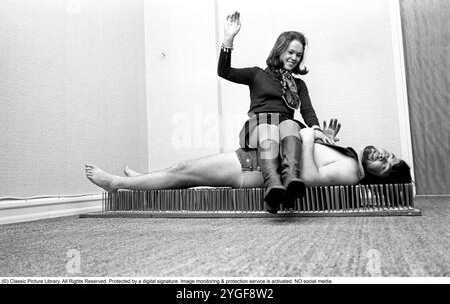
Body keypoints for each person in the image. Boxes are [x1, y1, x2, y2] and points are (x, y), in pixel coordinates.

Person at [85, 119, 412, 213]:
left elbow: (309, 178)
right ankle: (141, 180)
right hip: (257, 162)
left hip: (253, 169)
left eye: (386, 164)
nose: (383, 155)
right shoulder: (352, 161)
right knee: (183, 171)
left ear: (377, 178)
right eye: (389, 153)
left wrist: (310, 136)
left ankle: (118, 184)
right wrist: (324, 139)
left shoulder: (352, 173)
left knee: (184, 171)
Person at [217, 11, 331, 210]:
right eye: (291, 52)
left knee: (288, 123)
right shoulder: (256, 75)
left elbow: (307, 111)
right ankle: (272, 184)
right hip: (259, 126)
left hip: (286, 128)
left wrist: (317, 129)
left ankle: (290, 180)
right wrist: (228, 38)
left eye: (299, 54)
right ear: (280, 50)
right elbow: (224, 72)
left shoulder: (299, 84)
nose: (295, 58)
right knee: (270, 128)